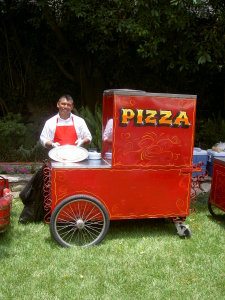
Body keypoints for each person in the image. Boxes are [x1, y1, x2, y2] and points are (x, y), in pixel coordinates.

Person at [18, 94, 92, 223]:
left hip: (76, 158)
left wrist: (81, 141)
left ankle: (74, 211)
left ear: (72, 107)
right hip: (56, 158)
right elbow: (43, 139)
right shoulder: (51, 122)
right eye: (63, 104)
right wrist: (51, 144)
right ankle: (47, 211)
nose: (66, 107)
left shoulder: (79, 121)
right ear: (58, 104)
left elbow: (89, 137)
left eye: (69, 105)